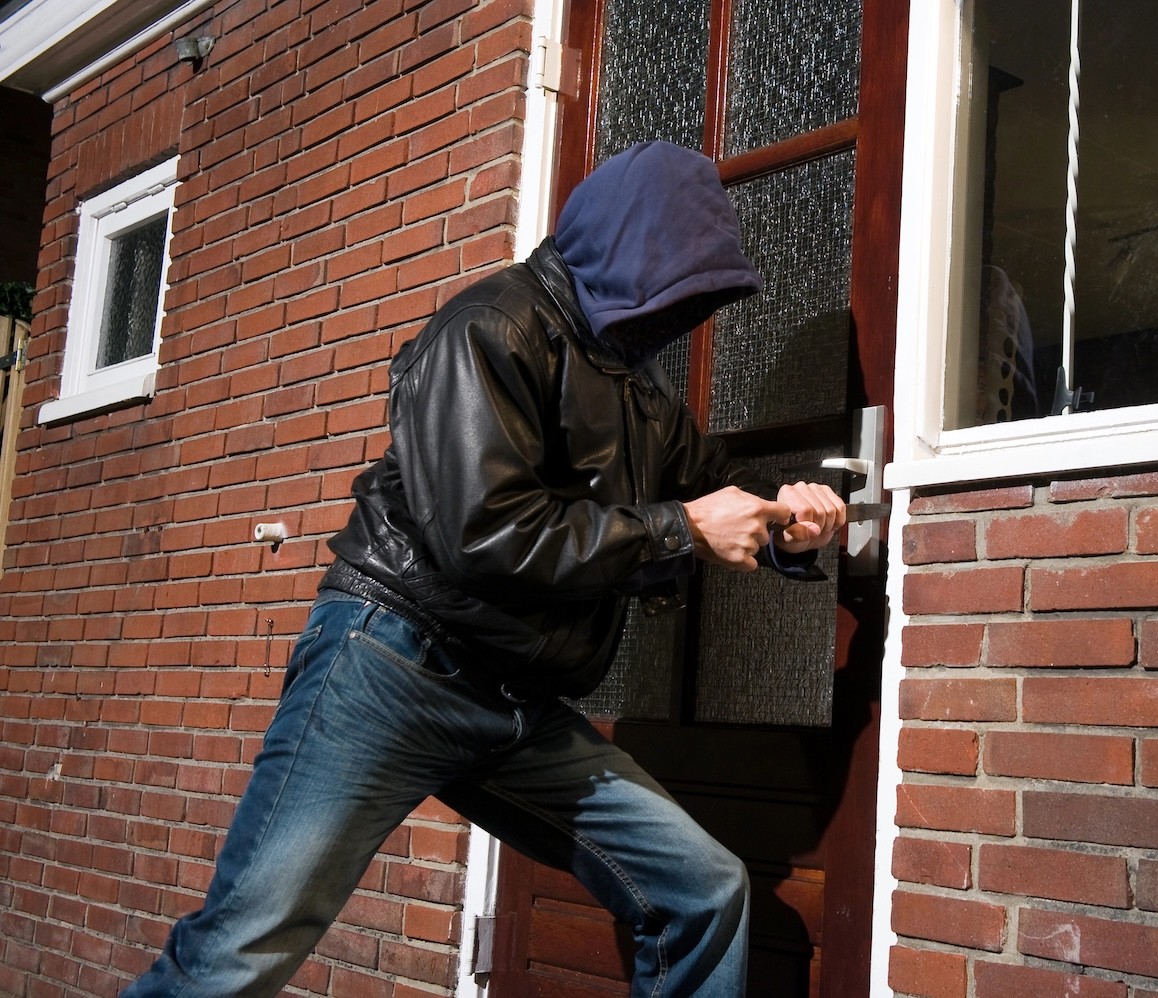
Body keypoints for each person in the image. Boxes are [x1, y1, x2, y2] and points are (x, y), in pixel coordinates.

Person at [123, 141, 846, 998]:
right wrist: (682, 528)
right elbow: (486, 534)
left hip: (515, 709)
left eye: (694, 301)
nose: (678, 320)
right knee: (242, 948)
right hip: (391, 666)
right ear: (620, 252)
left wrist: (787, 525)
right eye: (672, 289)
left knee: (703, 889)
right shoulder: (490, 328)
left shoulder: (643, 396)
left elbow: (712, 498)